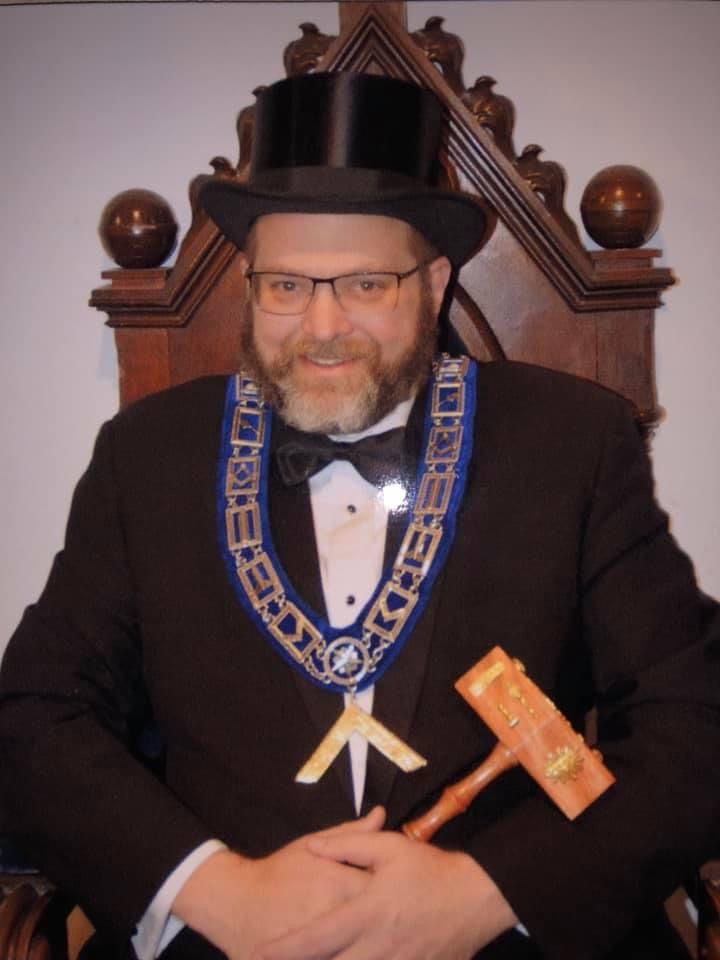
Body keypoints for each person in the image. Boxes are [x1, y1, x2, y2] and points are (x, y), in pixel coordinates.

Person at [1, 71, 718, 960]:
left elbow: (694, 723)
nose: (323, 326)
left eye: (367, 284)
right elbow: (35, 715)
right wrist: (213, 889)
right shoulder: (144, 455)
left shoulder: (575, 441)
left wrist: (489, 892)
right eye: (287, 286)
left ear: (436, 280)